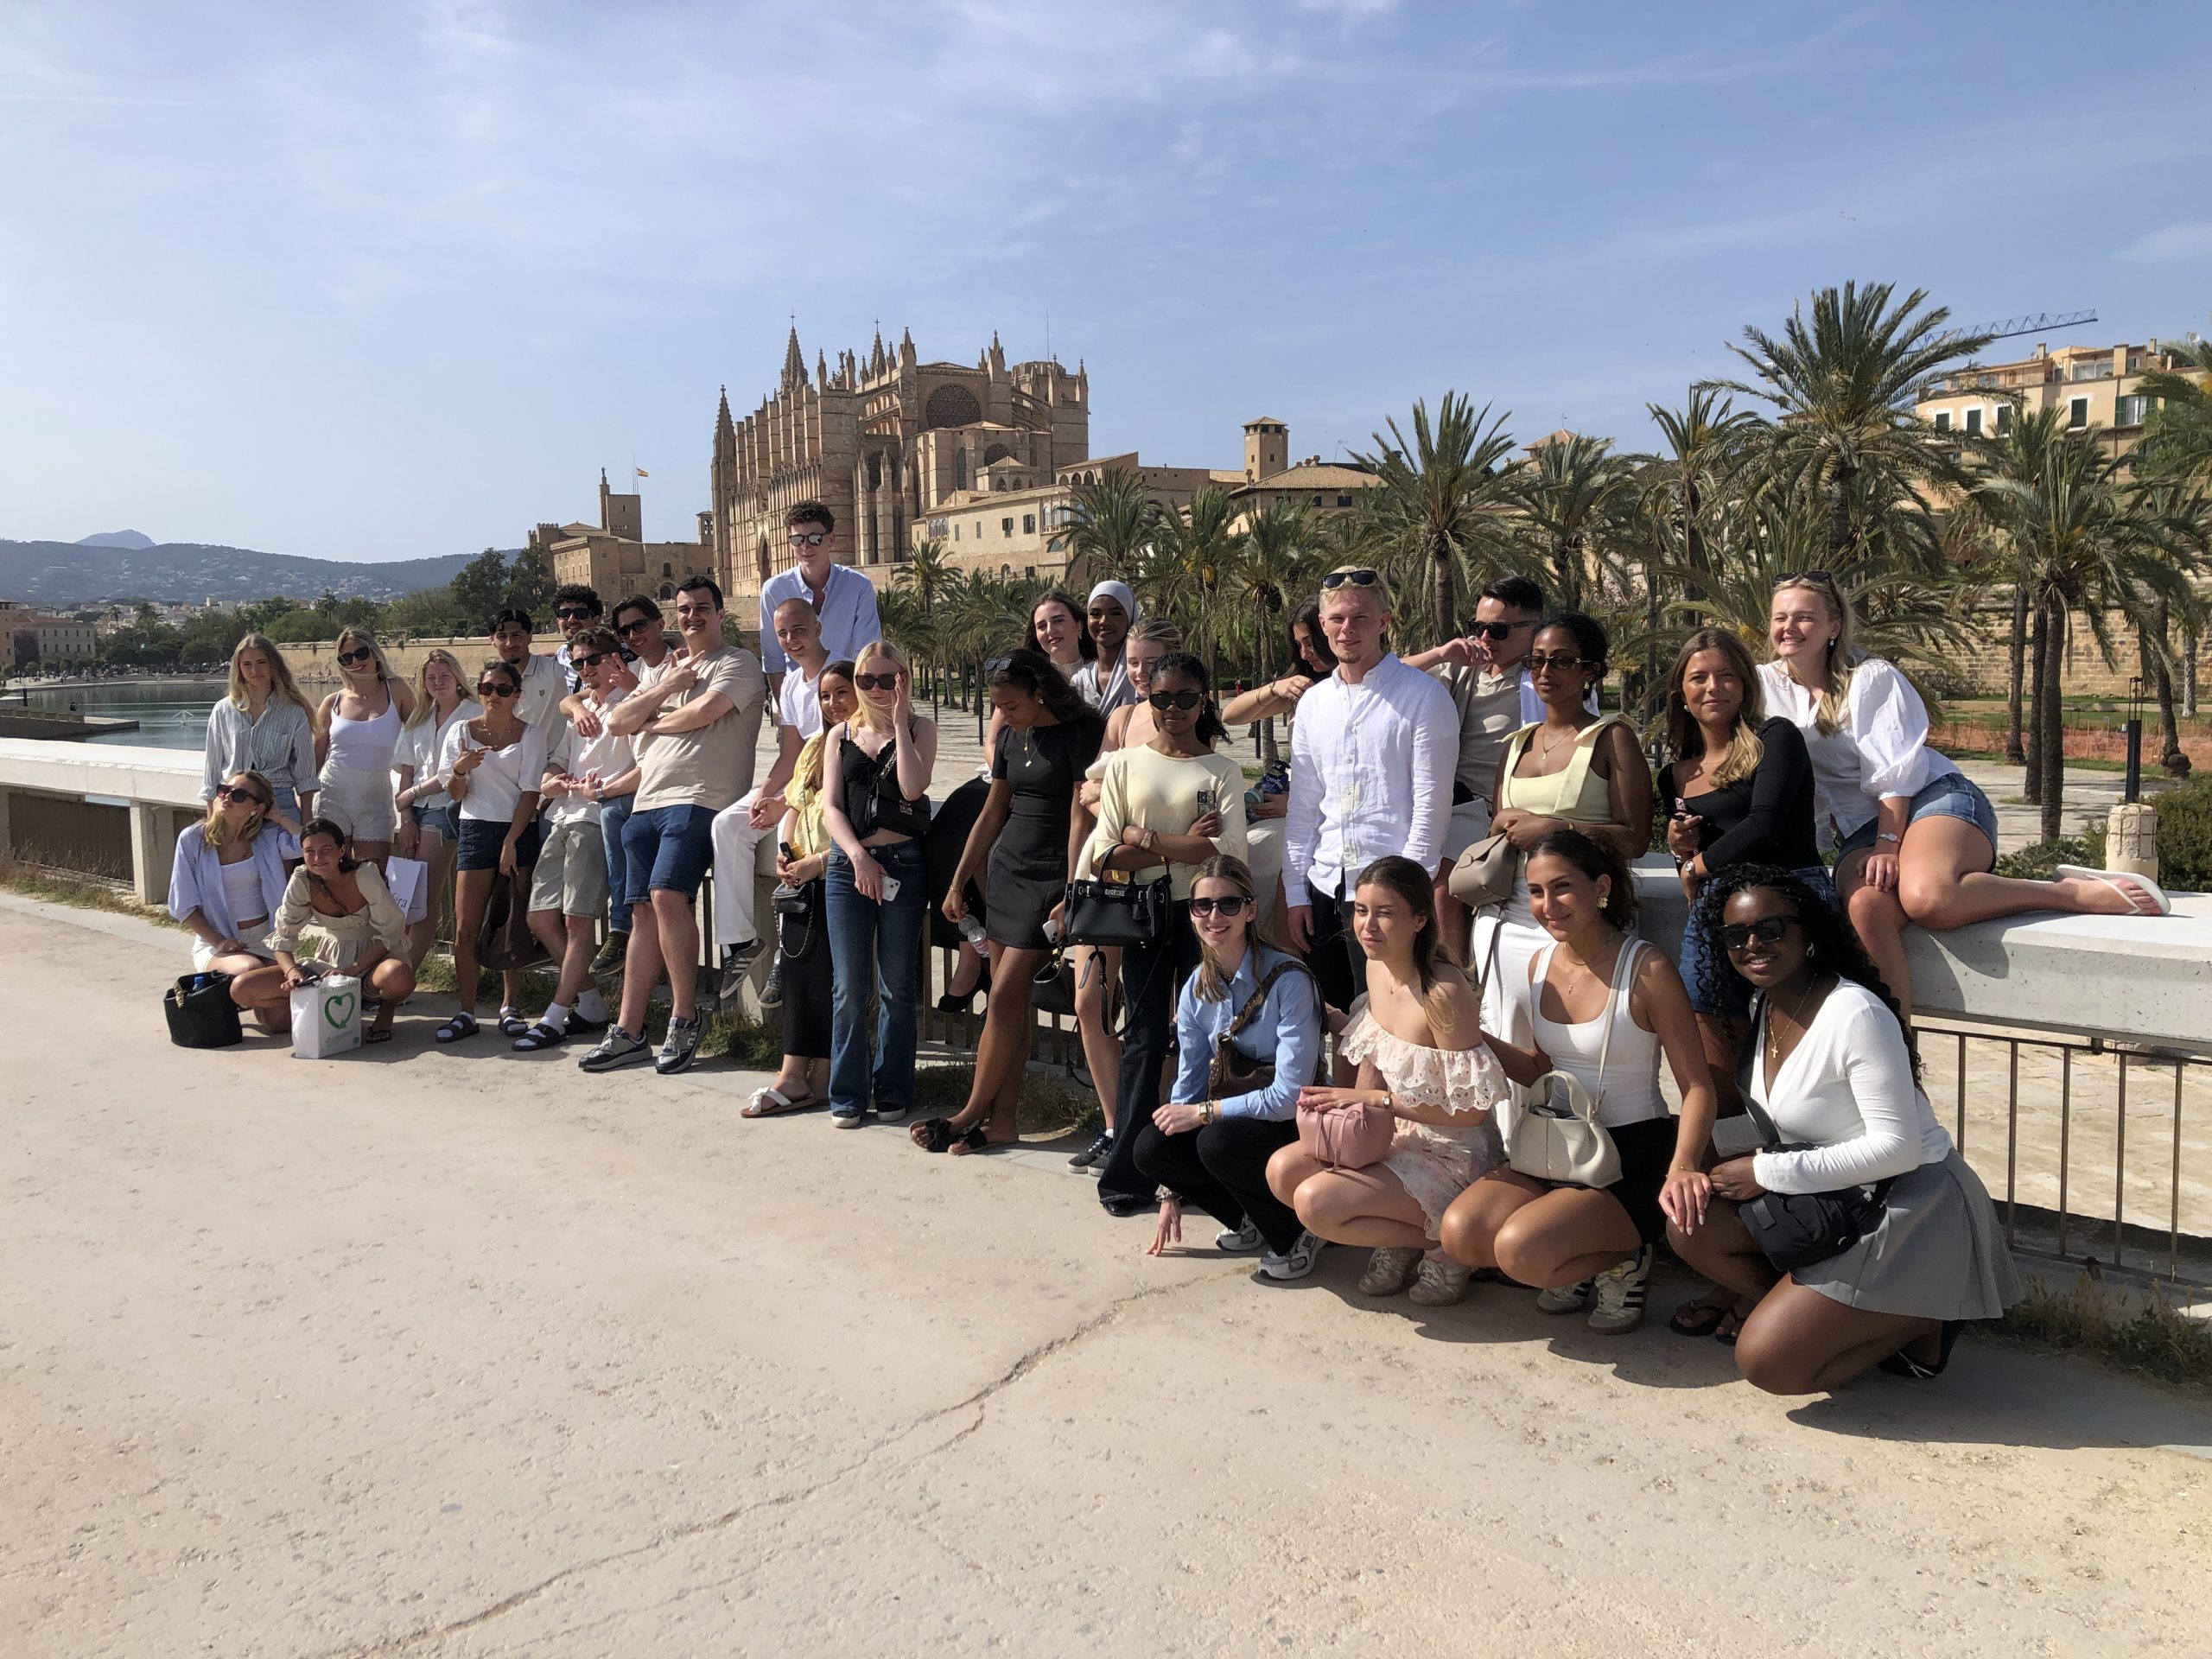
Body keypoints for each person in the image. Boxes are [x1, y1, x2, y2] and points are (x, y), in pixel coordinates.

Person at [1667, 866, 2022, 1387]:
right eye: (1735, 935)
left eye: (1771, 929)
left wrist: (1765, 1172)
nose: (1753, 945)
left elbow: (1897, 1148)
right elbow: (1792, 1121)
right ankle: (1824, 1314)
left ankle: (1924, 1312)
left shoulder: (1854, 1013)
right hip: (1835, 1194)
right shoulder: (1764, 1003)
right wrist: (1686, 1161)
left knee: (1768, 1364)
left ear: (1808, 932)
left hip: (1910, 1204)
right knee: (1687, 1222)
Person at [1760, 573, 2163, 1027]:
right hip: (1862, 827)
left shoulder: (1870, 678)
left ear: (1833, 626)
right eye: (1780, 617)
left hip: (1928, 799)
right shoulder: (1764, 687)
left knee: (1930, 897)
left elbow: (1897, 771)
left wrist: (1889, 844)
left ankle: (2069, 893)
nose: (1789, 627)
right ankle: (1897, 1052)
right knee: (1865, 907)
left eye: (1804, 617)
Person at [1437, 830, 1719, 1330]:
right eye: (1537, 892)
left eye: (1562, 887)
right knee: (1461, 1235)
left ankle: (1625, 1257)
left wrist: (1682, 1167)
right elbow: (1541, 1068)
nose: (1548, 905)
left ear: (1602, 887)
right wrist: (1473, 1036)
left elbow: (1697, 1087)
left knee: (1521, 1252)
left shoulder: (1647, 968)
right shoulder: (1538, 962)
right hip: (1556, 1140)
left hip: (1629, 1153)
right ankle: (1582, 1245)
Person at [1265, 855, 1510, 1296]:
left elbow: (1473, 1115)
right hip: (1390, 1136)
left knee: (1315, 1202)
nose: (1367, 926)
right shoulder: (1377, 969)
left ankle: (1444, 1245)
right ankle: (1405, 1232)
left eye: (1385, 912)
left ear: (1420, 919)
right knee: (1283, 1171)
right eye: (1360, 910)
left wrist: (1372, 1103)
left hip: (1449, 1153)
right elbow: (1372, 1062)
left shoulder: (1443, 992)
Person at [913, 650, 1103, 1154]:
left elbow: (1082, 817)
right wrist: (956, 883)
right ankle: (1002, 1121)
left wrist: (1071, 885)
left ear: (1039, 691)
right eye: (997, 705)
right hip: (1008, 871)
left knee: (1001, 997)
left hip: (1051, 877)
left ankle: (970, 1111)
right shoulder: (1014, 736)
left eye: (1011, 704)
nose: (1004, 714)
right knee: (1010, 1005)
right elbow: (992, 812)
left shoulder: (1082, 733)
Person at [1081, 653, 1249, 1215]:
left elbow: (1228, 852)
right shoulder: (1126, 763)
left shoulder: (1221, 771)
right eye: (1162, 699)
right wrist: (1179, 842)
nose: (1173, 709)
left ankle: (1202, 1170)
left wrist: (1143, 837)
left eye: (1185, 698)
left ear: (1205, 700)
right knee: (1146, 1041)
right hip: (1146, 916)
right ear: (1147, 700)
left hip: (1207, 918)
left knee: (1209, 1039)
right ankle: (1127, 1175)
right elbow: (1105, 855)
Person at [582, 575, 767, 1076]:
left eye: (701, 608)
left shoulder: (738, 663)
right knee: (641, 912)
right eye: (684, 610)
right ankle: (629, 1029)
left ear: (721, 612)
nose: (692, 617)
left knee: (666, 897)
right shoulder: (668, 673)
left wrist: (652, 716)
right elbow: (616, 722)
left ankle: (686, 1017)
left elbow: (705, 713)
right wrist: (664, 688)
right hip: (647, 801)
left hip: (700, 799)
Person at [1657, 627, 1828, 1113]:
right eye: (1700, 678)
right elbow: (1689, 868)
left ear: (1746, 686)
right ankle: (1733, 1154)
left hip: (1789, 901)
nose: (1714, 687)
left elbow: (1766, 823)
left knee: (1803, 1050)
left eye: (1727, 675)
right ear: (1682, 695)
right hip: (1717, 916)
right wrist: (1679, 849)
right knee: (1708, 1039)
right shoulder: (1675, 775)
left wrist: (1697, 864)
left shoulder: (1776, 737)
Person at [1135, 855, 1324, 1279]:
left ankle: (1297, 1231)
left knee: (1215, 1142)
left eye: (1229, 905)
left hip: (1291, 1120)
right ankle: (1250, 1219)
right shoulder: (1196, 987)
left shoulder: (1289, 980)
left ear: (1251, 910)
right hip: (1232, 1118)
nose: (1214, 916)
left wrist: (1204, 1114)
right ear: (1192, 913)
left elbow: (1289, 1097)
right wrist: (1171, 1190)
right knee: (1150, 1147)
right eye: (1203, 906)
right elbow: (1189, 1081)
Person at [1283, 567, 1458, 1012]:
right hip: (1324, 886)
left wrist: (1403, 897)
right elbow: (1304, 808)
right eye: (1338, 618)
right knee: (1337, 1022)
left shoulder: (1424, 697)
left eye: (1360, 618)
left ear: (1384, 621)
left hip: (1389, 897)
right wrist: (1296, 894)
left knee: (1395, 1024)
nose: (1348, 629)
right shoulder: (1312, 705)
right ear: (1322, 626)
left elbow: (1430, 808)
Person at [1476, 612, 1650, 1053]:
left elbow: (1636, 838)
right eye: (1536, 662)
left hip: (1577, 918)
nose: (1545, 672)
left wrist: (1559, 829)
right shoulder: (1517, 743)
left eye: (1561, 661)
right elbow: (1500, 824)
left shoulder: (1611, 737)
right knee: (1506, 1050)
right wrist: (1499, 824)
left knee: (1571, 1051)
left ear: (1590, 671)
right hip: (1504, 918)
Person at [1065, 617, 1183, 1171]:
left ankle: (1150, 1130)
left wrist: (1110, 808)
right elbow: (1083, 802)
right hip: (1103, 880)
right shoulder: (1120, 718)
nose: (1137, 673)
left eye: (1150, 663)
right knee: (1089, 1001)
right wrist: (1074, 880)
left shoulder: (1187, 723)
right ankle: (1115, 1124)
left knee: (1152, 1017)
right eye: (1132, 662)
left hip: (1159, 890)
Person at [819, 639, 938, 1126]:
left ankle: (892, 1088)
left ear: (902, 679)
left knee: (897, 986)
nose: (874, 688)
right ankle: (846, 1092)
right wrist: (857, 857)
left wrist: (901, 719)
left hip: (904, 864)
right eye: (866, 680)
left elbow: (912, 787)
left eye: (887, 679)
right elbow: (830, 807)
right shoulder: (840, 736)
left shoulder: (921, 728)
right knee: (848, 986)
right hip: (849, 867)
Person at [741, 661, 859, 1117]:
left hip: (837, 872)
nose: (833, 703)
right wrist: (787, 849)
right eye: (826, 696)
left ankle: (816, 1076)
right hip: (803, 872)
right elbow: (795, 801)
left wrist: (818, 862)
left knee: (828, 977)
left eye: (842, 692)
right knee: (797, 970)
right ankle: (795, 1072)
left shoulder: (865, 745)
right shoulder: (815, 745)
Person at [514, 628, 637, 1051]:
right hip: (565, 815)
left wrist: (601, 790)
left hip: (596, 819)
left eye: (593, 660)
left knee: (577, 920)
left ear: (615, 658)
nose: (586, 670)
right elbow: (557, 762)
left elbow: (646, 767)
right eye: (579, 662)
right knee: (540, 919)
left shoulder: (632, 704)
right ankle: (589, 1004)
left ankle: (556, 1012)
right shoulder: (581, 707)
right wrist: (552, 781)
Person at [709, 596, 831, 1008]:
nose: (791, 640)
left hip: (832, 784)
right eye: (782, 634)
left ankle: (785, 950)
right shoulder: (793, 684)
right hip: (799, 781)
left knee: (787, 839)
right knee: (727, 825)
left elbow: (840, 750)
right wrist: (764, 793)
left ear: (817, 628)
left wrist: (785, 802)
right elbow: (791, 752)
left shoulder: (843, 673)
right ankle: (739, 943)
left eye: (799, 630)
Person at [433, 658, 549, 1045]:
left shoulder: (531, 735)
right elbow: (455, 793)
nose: (494, 696)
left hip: (518, 829)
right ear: (478, 692)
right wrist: (461, 770)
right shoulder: (460, 734)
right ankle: (466, 1011)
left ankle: (509, 1006)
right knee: (465, 926)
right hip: (476, 827)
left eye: (502, 689)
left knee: (510, 922)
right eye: (486, 689)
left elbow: (531, 792)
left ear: (516, 695)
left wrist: (512, 841)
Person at [582, 595, 673, 974]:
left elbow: (653, 749)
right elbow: (574, 700)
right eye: (625, 630)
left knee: (615, 815)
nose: (633, 635)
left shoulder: (666, 669)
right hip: (634, 791)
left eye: (639, 626)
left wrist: (603, 791)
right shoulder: (616, 685)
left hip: (663, 789)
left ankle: (621, 929)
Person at [269, 818, 416, 1043]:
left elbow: (390, 932)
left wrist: (352, 971)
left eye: (326, 850)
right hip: (328, 962)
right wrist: (293, 974)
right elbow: (282, 937)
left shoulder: (365, 874)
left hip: (374, 960)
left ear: (342, 850)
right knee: (245, 991)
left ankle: (385, 1012)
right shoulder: (301, 879)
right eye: (310, 851)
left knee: (398, 976)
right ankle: (335, 1009)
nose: (317, 859)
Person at [167, 770, 292, 1028]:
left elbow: (307, 845)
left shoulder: (267, 838)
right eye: (224, 790)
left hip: (266, 940)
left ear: (257, 808)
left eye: (239, 795)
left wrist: (279, 817)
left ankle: (244, 997)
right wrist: (219, 941)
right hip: (219, 944)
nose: (227, 797)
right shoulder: (193, 839)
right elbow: (183, 905)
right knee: (249, 970)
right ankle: (237, 992)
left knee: (280, 1023)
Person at [391, 650, 479, 970]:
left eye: (445, 676)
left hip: (449, 808)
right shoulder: (419, 719)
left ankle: (404, 974)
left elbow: (453, 772)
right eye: (431, 678)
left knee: (423, 896)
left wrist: (410, 795)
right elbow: (406, 772)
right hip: (416, 811)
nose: (438, 683)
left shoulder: (473, 715)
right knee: (402, 895)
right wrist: (406, 818)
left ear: (458, 678)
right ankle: (392, 968)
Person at [758, 500, 881, 701]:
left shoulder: (858, 586)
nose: (806, 546)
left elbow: (866, 653)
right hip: (797, 699)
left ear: (831, 539)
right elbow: (773, 660)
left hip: (847, 700)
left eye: (815, 538)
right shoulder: (774, 590)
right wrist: (788, 711)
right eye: (798, 540)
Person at [311, 626, 413, 868]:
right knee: (332, 874)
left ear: (375, 653)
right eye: (346, 658)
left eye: (361, 653)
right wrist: (303, 804)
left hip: (376, 797)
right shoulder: (332, 702)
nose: (355, 661)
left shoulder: (396, 690)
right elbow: (315, 757)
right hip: (331, 793)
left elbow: (421, 738)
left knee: (374, 877)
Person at [202, 634, 315, 837]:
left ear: (273, 664)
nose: (255, 671)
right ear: (238, 669)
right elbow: (211, 772)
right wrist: (213, 819)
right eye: (247, 664)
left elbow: (305, 775)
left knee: (280, 869)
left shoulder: (294, 712)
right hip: (234, 805)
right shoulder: (223, 711)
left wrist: (306, 823)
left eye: (262, 663)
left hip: (279, 806)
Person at [1219, 597, 1336, 727]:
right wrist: (1273, 689)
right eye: (1298, 645)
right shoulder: (1304, 687)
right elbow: (1230, 716)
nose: (1303, 655)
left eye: (1309, 643)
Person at [488, 607, 569, 733]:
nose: (510, 643)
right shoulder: (492, 683)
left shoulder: (554, 671)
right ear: (492, 641)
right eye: (502, 637)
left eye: (516, 635)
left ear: (529, 637)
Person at [1071, 581, 1139, 714]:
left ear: (1130, 618)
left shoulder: (1140, 675)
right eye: (1096, 614)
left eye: (1115, 613)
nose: (1103, 621)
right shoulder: (1081, 680)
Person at [550, 585, 608, 691]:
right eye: (565, 614)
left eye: (580, 614)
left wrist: (573, 701)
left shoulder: (612, 653)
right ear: (558, 622)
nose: (572, 619)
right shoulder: (562, 654)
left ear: (596, 621)